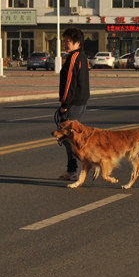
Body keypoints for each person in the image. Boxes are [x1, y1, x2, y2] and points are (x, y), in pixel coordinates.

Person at [56, 27, 90, 181]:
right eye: (65, 41)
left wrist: (64, 104)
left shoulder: (74, 58)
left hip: (73, 102)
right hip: (80, 101)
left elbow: (70, 83)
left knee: (70, 137)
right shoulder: (81, 57)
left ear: (77, 43)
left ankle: (80, 167)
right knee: (71, 138)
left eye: (68, 41)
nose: (65, 44)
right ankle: (75, 168)